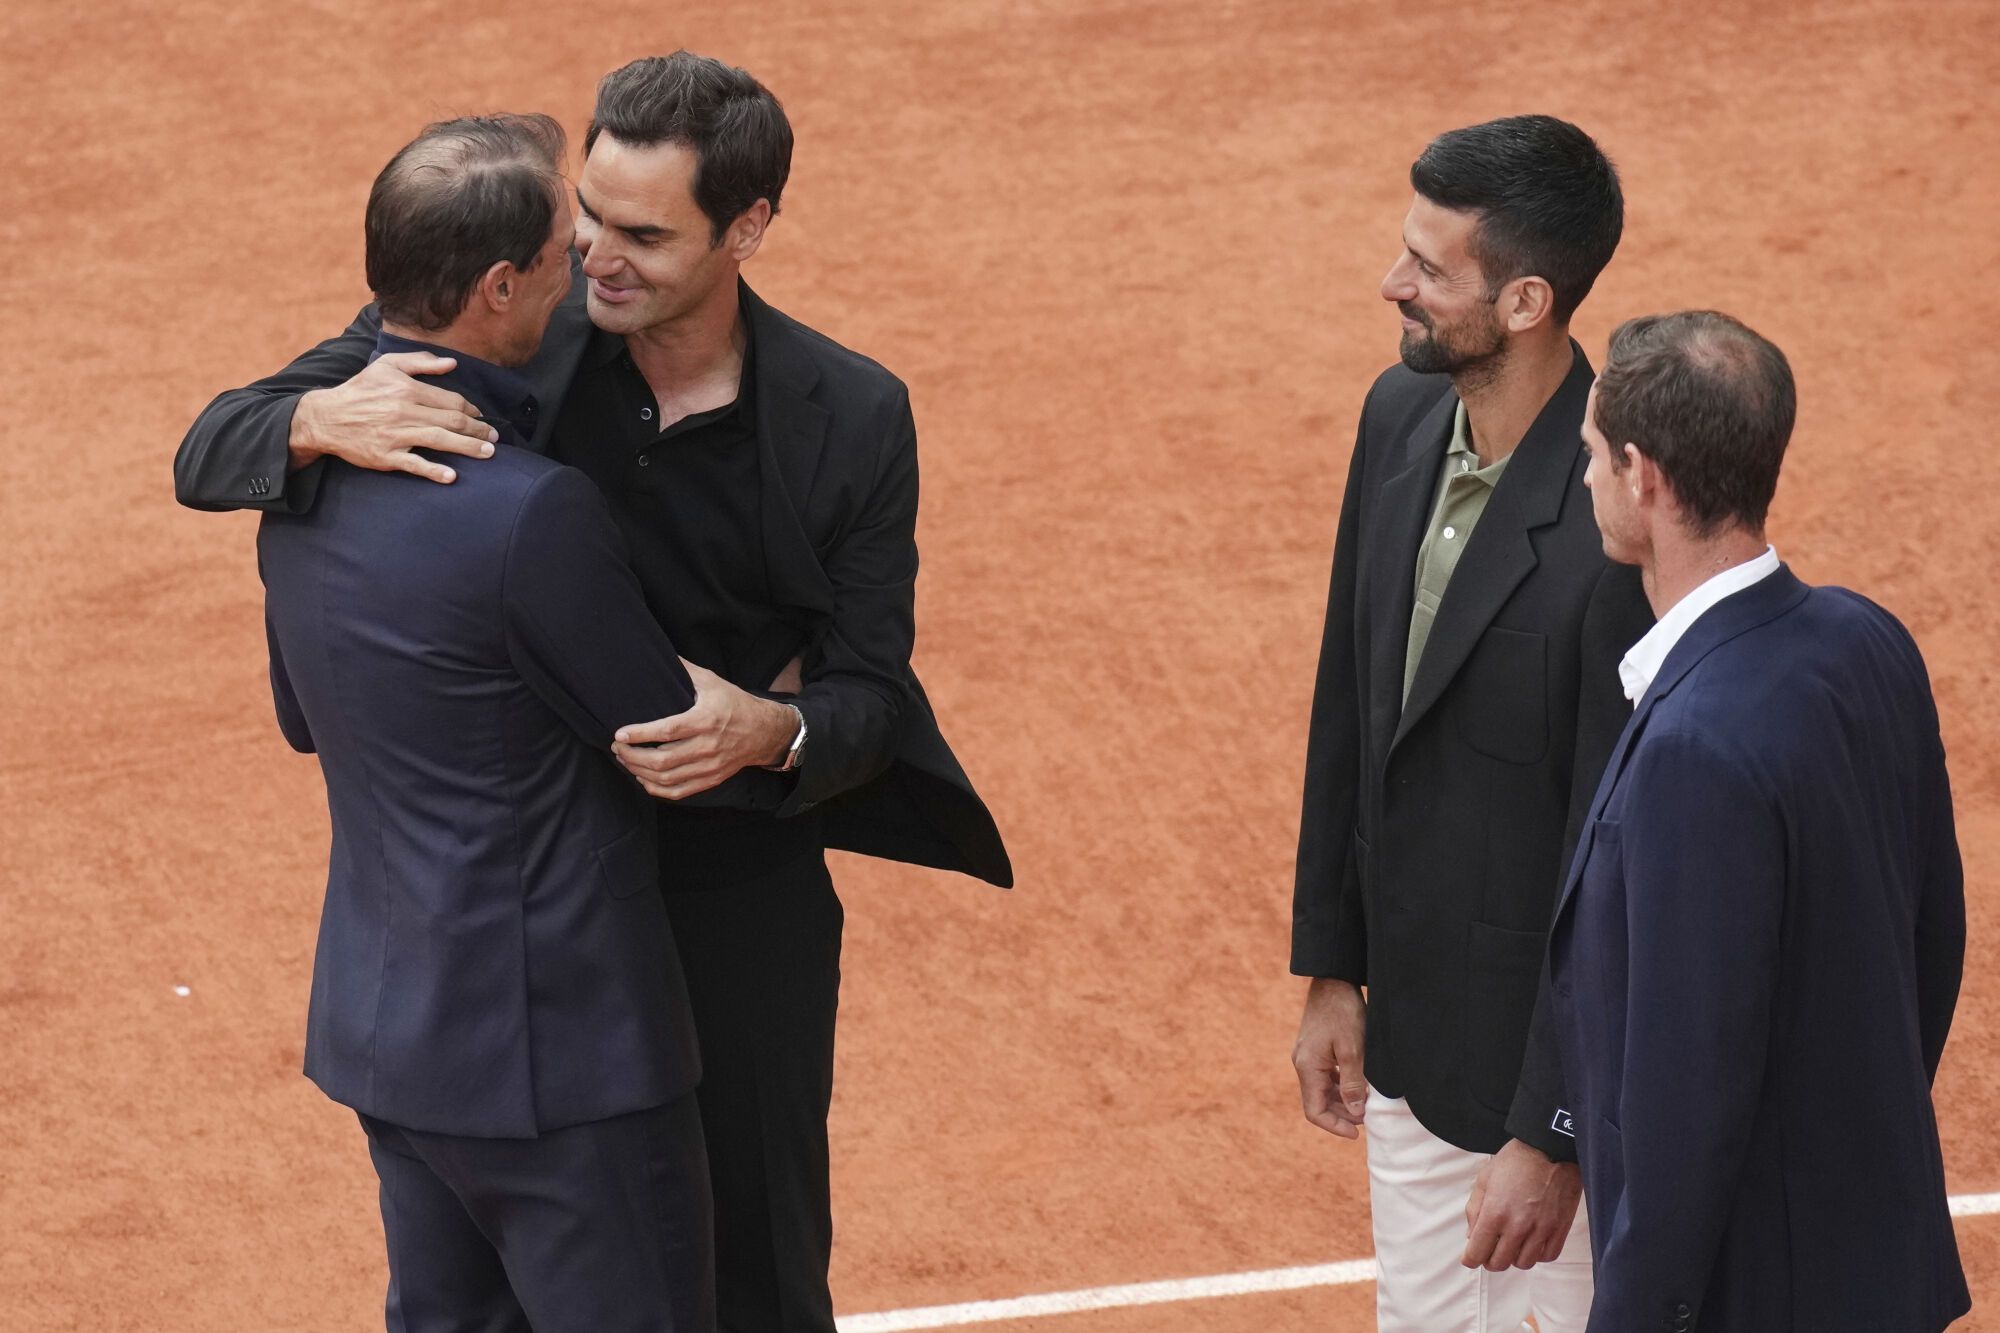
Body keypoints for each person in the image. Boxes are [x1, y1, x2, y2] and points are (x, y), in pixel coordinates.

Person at [176, 53, 1010, 1333]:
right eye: (586, 218)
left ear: (748, 228)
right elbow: (214, 440)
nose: (597, 254)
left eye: (641, 232)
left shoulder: (849, 414)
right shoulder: (517, 315)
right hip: (545, 903)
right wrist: (304, 426)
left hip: (730, 903)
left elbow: (870, 695)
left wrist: (771, 728)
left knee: (757, 1275)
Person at [259, 113, 741, 1332]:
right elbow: (664, 734)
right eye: (558, 247)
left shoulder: (301, 478)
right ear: (497, 287)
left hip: (394, 1043)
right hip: (562, 1062)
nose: (583, 258)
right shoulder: (534, 514)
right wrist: (789, 713)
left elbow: (304, 720)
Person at [1288, 115, 1653, 1332]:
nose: (1393, 282)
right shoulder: (1397, 419)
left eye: (1430, 268)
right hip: (1410, 1056)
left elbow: (1609, 862)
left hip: (1541, 1107)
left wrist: (1548, 1128)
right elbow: (1351, 705)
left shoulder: (1621, 527)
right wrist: (1332, 972)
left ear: (1523, 301)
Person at [1553, 310, 1969, 1332]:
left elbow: (1681, 1096)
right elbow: (1931, 934)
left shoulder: (1693, 743)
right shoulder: (1864, 639)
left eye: (1593, 458)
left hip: (1756, 1296)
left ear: (1643, 476)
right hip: (1871, 1264)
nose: (1584, 480)